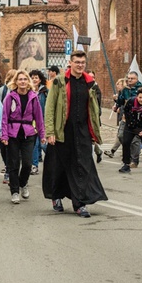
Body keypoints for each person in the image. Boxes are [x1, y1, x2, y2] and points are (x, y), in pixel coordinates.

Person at [42, 50, 108, 217]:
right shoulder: (59, 81)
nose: (80, 65)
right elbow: (49, 108)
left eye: (82, 63)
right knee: (59, 166)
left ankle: (79, 204)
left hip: (82, 131)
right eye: (77, 62)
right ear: (70, 63)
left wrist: (95, 131)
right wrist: (50, 131)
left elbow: (94, 109)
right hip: (62, 130)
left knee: (82, 166)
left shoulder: (89, 83)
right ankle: (56, 196)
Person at [1, 70, 45, 204]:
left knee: (27, 164)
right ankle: (14, 191)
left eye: (25, 79)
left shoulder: (33, 97)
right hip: (13, 133)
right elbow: (4, 117)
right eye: (20, 79)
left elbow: (39, 117)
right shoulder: (10, 97)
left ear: (28, 82)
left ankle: (23, 183)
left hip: (28, 133)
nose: (23, 82)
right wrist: (4, 135)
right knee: (13, 164)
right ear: (16, 81)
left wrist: (42, 134)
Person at [118, 87, 142, 174]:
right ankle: (126, 164)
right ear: (137, 97)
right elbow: (126, 109)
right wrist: (126, 119)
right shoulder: (131, 102)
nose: (141, 100)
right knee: (126, 143)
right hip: (131, 126)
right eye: (140, 97)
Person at [0, 69, 16, 183]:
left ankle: (10, 171)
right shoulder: (2, 90)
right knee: (3, 148)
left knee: (12, 149)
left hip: (15, 125)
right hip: (3, 123)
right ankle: (8, 167)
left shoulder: (21, 91)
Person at [29, 69, 48, 175]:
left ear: (40, 79)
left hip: (42, 121)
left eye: (36, 77)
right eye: (32, 77)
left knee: (44, 144)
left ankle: (53, 162)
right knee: (34, 145)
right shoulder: (28, 91)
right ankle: (34, 166)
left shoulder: (44, 92)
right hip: (31, 122)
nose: (34, 79)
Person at [104, 78, 127, 159]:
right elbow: (119, 104)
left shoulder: (126, 93)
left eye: (119, 84)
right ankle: (113, 151)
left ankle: (128, 151)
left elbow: (126, 104)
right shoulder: (120, 93)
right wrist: (116, 105)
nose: (117, 86)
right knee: (119, 135)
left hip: (126, 117)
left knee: (121, 135)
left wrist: (120, 108)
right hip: (122, 117)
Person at [87, 69, 105, 163]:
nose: (92, 79)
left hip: (93, 118)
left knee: (92, 138)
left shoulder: (95, 88)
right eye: (90, 77)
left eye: (93, 77)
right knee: (89, 139)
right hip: (85, 117)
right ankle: (98, 152)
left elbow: (97, 104)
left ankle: (93, 156)